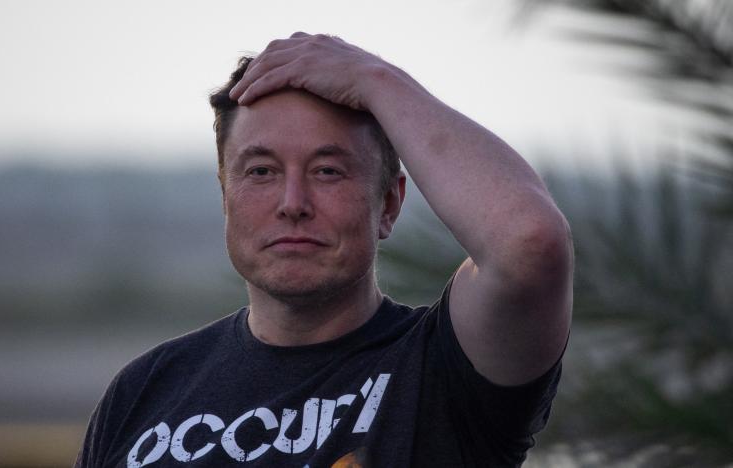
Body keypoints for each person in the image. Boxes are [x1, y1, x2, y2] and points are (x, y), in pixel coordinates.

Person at [75, 32, 573, 468]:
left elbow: (530, 244)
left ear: (389, 204)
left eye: (328, 171)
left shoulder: (441, 372)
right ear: (226, 197)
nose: (293, 204)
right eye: (261, 171)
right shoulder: (144, 391)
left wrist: (373, 78)